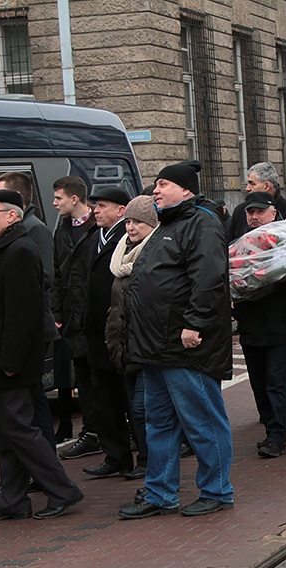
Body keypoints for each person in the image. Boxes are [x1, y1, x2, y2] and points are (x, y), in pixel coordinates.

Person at [119, 160, 234, 519]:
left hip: (185, 346)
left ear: (185, 190)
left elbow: (209, 278)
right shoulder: (168, 225)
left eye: (163, 184)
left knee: (202, 421)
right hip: (156, 346)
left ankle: (217, 490)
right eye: (155, 185)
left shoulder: (201, 222)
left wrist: (194, 323)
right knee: (160, 423)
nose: (156, 190)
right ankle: (160, 493)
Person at [0, 189, 83, 522]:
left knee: (19, 429)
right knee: (6, 432)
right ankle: (13, 499)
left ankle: (62, 490)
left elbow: (23, 315)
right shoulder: (5, 246)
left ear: (13, 215)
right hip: (0, 361)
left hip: (11, 364)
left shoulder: (20, 250)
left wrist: (10, 362)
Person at [233, 192, 286, 458]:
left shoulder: (285, 241)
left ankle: (278, 434)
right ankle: (270, 423)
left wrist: (280, 275)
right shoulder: (239, 245)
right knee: (259, 382)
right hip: (250, 325)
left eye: (259, 212)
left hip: (280, 324)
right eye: (250, 212)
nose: (254, 217)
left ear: (273, 214)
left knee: (277, 381)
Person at [81, 186, 135, 478]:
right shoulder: (94, 238)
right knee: (104, 399)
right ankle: (116, 455)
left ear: (121, 210)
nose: (96, 210)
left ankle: (147, 457)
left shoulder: (126, 238)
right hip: (95, 331)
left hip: (119, 329)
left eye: (102, 206)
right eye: (95, 206)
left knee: (130, 398)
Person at [105, 195, 159, 481]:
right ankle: (147, 459)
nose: (131, 227)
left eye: (138, 221)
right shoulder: (120, 255)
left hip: (146, 344)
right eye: (128, 221)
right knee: (135, 408)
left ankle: (149, 460)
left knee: (143, 408)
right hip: (123, 344)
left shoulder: (154, 253)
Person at [51, 176, 101, 460]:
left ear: (74, 199)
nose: (55, 203)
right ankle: (91, 432)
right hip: (72, 316)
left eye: (59, 198)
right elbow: (57, 274)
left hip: (92, 313)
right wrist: (57, 312)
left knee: (102, 375)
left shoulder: (97, 228)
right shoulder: (61, 230)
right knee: (82, 374)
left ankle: (108, 430)